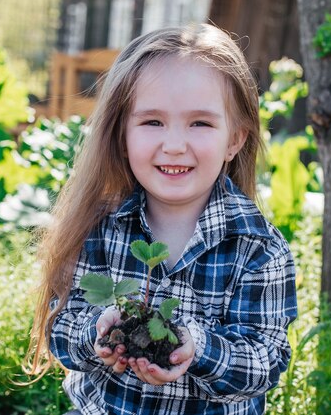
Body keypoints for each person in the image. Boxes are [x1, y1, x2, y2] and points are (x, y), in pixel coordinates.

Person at [25, 23, 297, 415]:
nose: (173, 145)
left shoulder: (257, 248)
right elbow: (61, 330)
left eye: (200, 123)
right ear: (122, 135)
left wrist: (197, 347)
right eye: (152, 122)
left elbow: (264, 361)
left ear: (235, 139)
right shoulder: (99, 227)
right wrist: (98, 332)